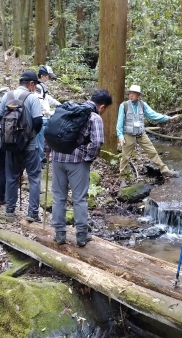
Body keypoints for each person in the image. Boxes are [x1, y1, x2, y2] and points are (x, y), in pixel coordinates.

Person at [45, 89, 113, 247]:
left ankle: (60, 235)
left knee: (58, 197)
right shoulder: (94, 117)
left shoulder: (68, 109)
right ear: (102, 107)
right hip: (77, 160)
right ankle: (82, 236)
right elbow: (97, 142)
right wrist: (88, 158)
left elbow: (50, 129)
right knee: (79, 199)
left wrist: (48, 150)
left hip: (57, 158)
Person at [0, 70, 43, 222]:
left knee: (11, 177)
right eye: (34, 85)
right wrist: (29, 136)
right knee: (34, 178)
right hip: (30, 147)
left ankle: (9, 211)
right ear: (30, 84)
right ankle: (32, 213)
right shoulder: (33, 98)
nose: (34, 88)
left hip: (10, 145)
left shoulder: (7, 96)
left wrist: (10, 136)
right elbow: (38, 122)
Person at [116, 85, 179, 186]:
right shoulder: (124, 105)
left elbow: (153, 115)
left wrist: (168, 118)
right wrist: (120, 136)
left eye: (134, 93)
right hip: (128, 134)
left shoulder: (142, 105)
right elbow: (120, 122)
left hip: (141, 134)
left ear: (138, 95)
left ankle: (165, 170)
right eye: (130, 93)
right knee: (125, 157)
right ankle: (122, 179)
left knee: (153, 152)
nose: (131, 95)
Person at [35, 65, 61, 164]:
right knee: (40, 140)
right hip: (41, 118)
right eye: (48, 77)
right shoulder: (38, 87)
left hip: (45, 118)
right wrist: (49, 112)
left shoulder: (42, 87)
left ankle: (42, 157)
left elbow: (48, 99)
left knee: (43, 140)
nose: (49, 79)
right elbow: (39, 102)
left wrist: (59, 104)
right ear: (42, 76)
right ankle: (40, 160)